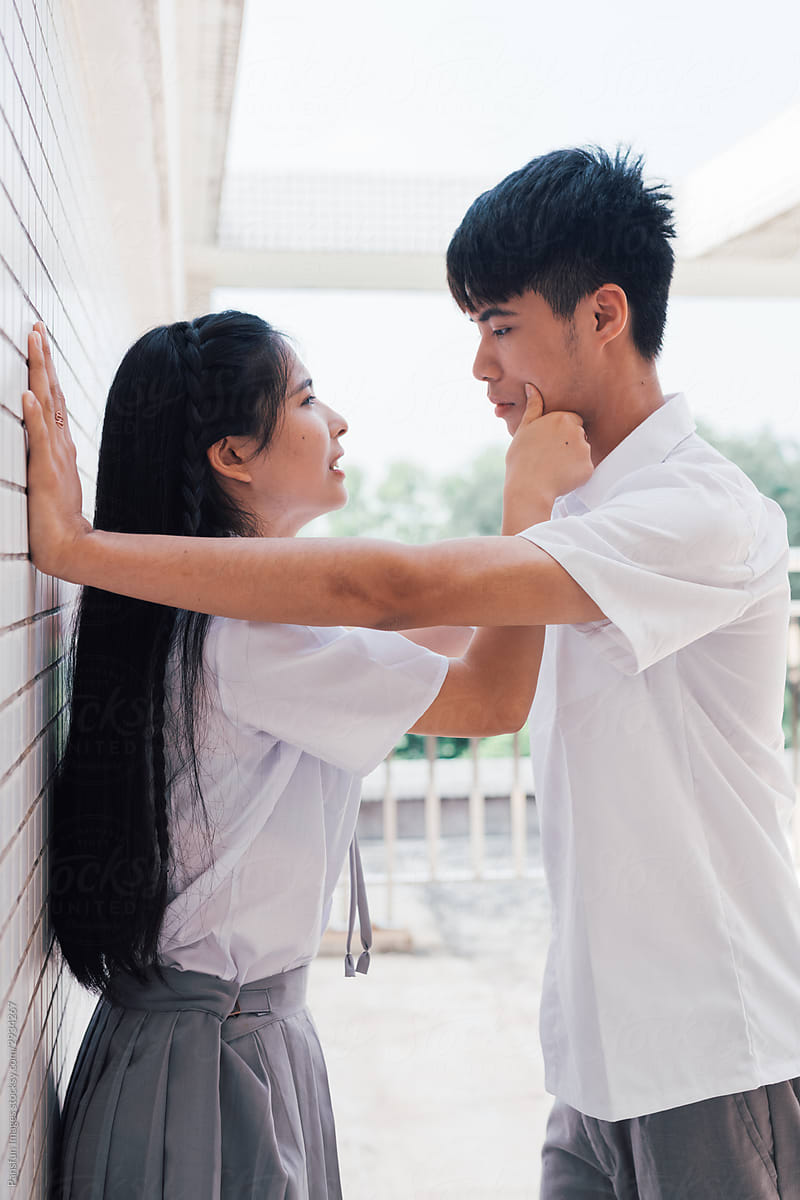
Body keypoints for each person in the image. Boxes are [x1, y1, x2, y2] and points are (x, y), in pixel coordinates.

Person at [23, 146, 800, 1197]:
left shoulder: (690, 515)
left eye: (498, 326)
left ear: (602, 315)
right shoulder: (584, 518)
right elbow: (413, 626)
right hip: (599, 1059)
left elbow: (393, 603)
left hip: (712, 1051)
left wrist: (83, 551)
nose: (479, 367)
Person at [35, 309, 592, 1199]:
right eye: (303, 397)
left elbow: (430, 633)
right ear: (232, 455)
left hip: (202, 1046)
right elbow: (491, 696)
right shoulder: (251, 633)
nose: (335, 421)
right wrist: (530, 511)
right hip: (210, 1071)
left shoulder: (206, 617)